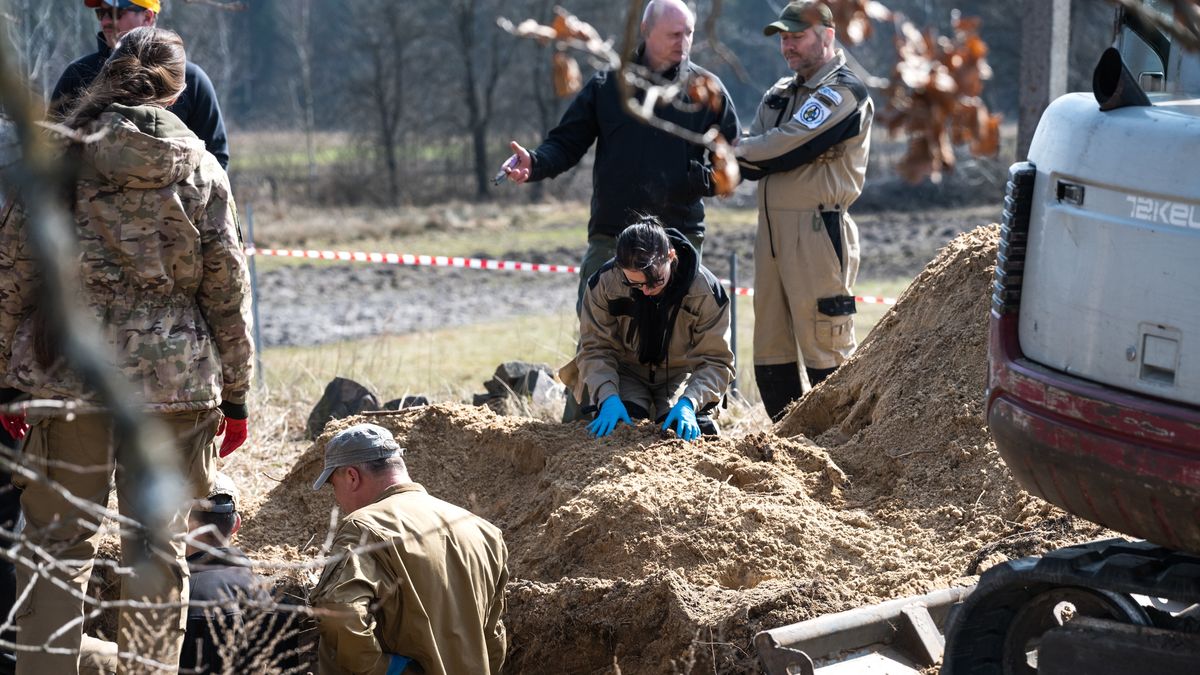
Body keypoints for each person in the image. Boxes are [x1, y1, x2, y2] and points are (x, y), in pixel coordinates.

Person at [0, 26, 253, 673]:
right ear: (175, 91)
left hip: (66, 378)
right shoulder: (198, 164)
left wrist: (5, 379)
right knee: (160, 552)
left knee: (55, 548)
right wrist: (236, 396)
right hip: (174, 388)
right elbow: (228, 289)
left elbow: (13, 273)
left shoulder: (58, 159)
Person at [502, 0, 739, 308]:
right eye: (673, 34)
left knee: (677, 344)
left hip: (678, 238)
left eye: (689, 33)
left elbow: (734, 158)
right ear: (645, 30)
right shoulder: (608, 86)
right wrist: (535, 162)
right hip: (612, 236)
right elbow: (566, 142)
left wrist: (705, 180)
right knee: (598, 341)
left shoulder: (706, 91)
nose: (683, 43)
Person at [736, 1, 874, 421]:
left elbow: (787, 145)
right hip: (771, 234)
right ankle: (787, 444)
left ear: (827, 36)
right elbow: (751, 162)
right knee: (770, 345)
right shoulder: (779, 93)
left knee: (824, 342)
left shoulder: (846, 91)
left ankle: (841, 447)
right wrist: (749, 152)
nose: (787, 46)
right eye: (783, 38)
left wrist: (742, 150)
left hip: (818, 231)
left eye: (797, 36)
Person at [310, 423, 508, 675]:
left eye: (333, 485)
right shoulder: (484, 531)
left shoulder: (364, 528)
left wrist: (387, 669)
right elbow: (493, 636)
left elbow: (339, 612)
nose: (337, 498)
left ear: (351, 476)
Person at [558, 220, 734, 441]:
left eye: (656, 281)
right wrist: (608, 397)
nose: (648, 291)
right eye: (635, 284)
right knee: (619, 432)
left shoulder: (706, 290)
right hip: (626, 374)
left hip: (681, 376)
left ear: (671, 256)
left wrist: (690, 402)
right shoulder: (604, 283)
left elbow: (716, 361)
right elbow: (595, 349)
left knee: (693, 433)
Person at [50, 0, 230, 169]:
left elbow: (216, 160)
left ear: (148, 17)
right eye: (101, 13)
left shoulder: (191, 79)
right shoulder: (78, 73)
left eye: (116, 13)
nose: (105, 21)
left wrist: (178, 198)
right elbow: (47, 149)